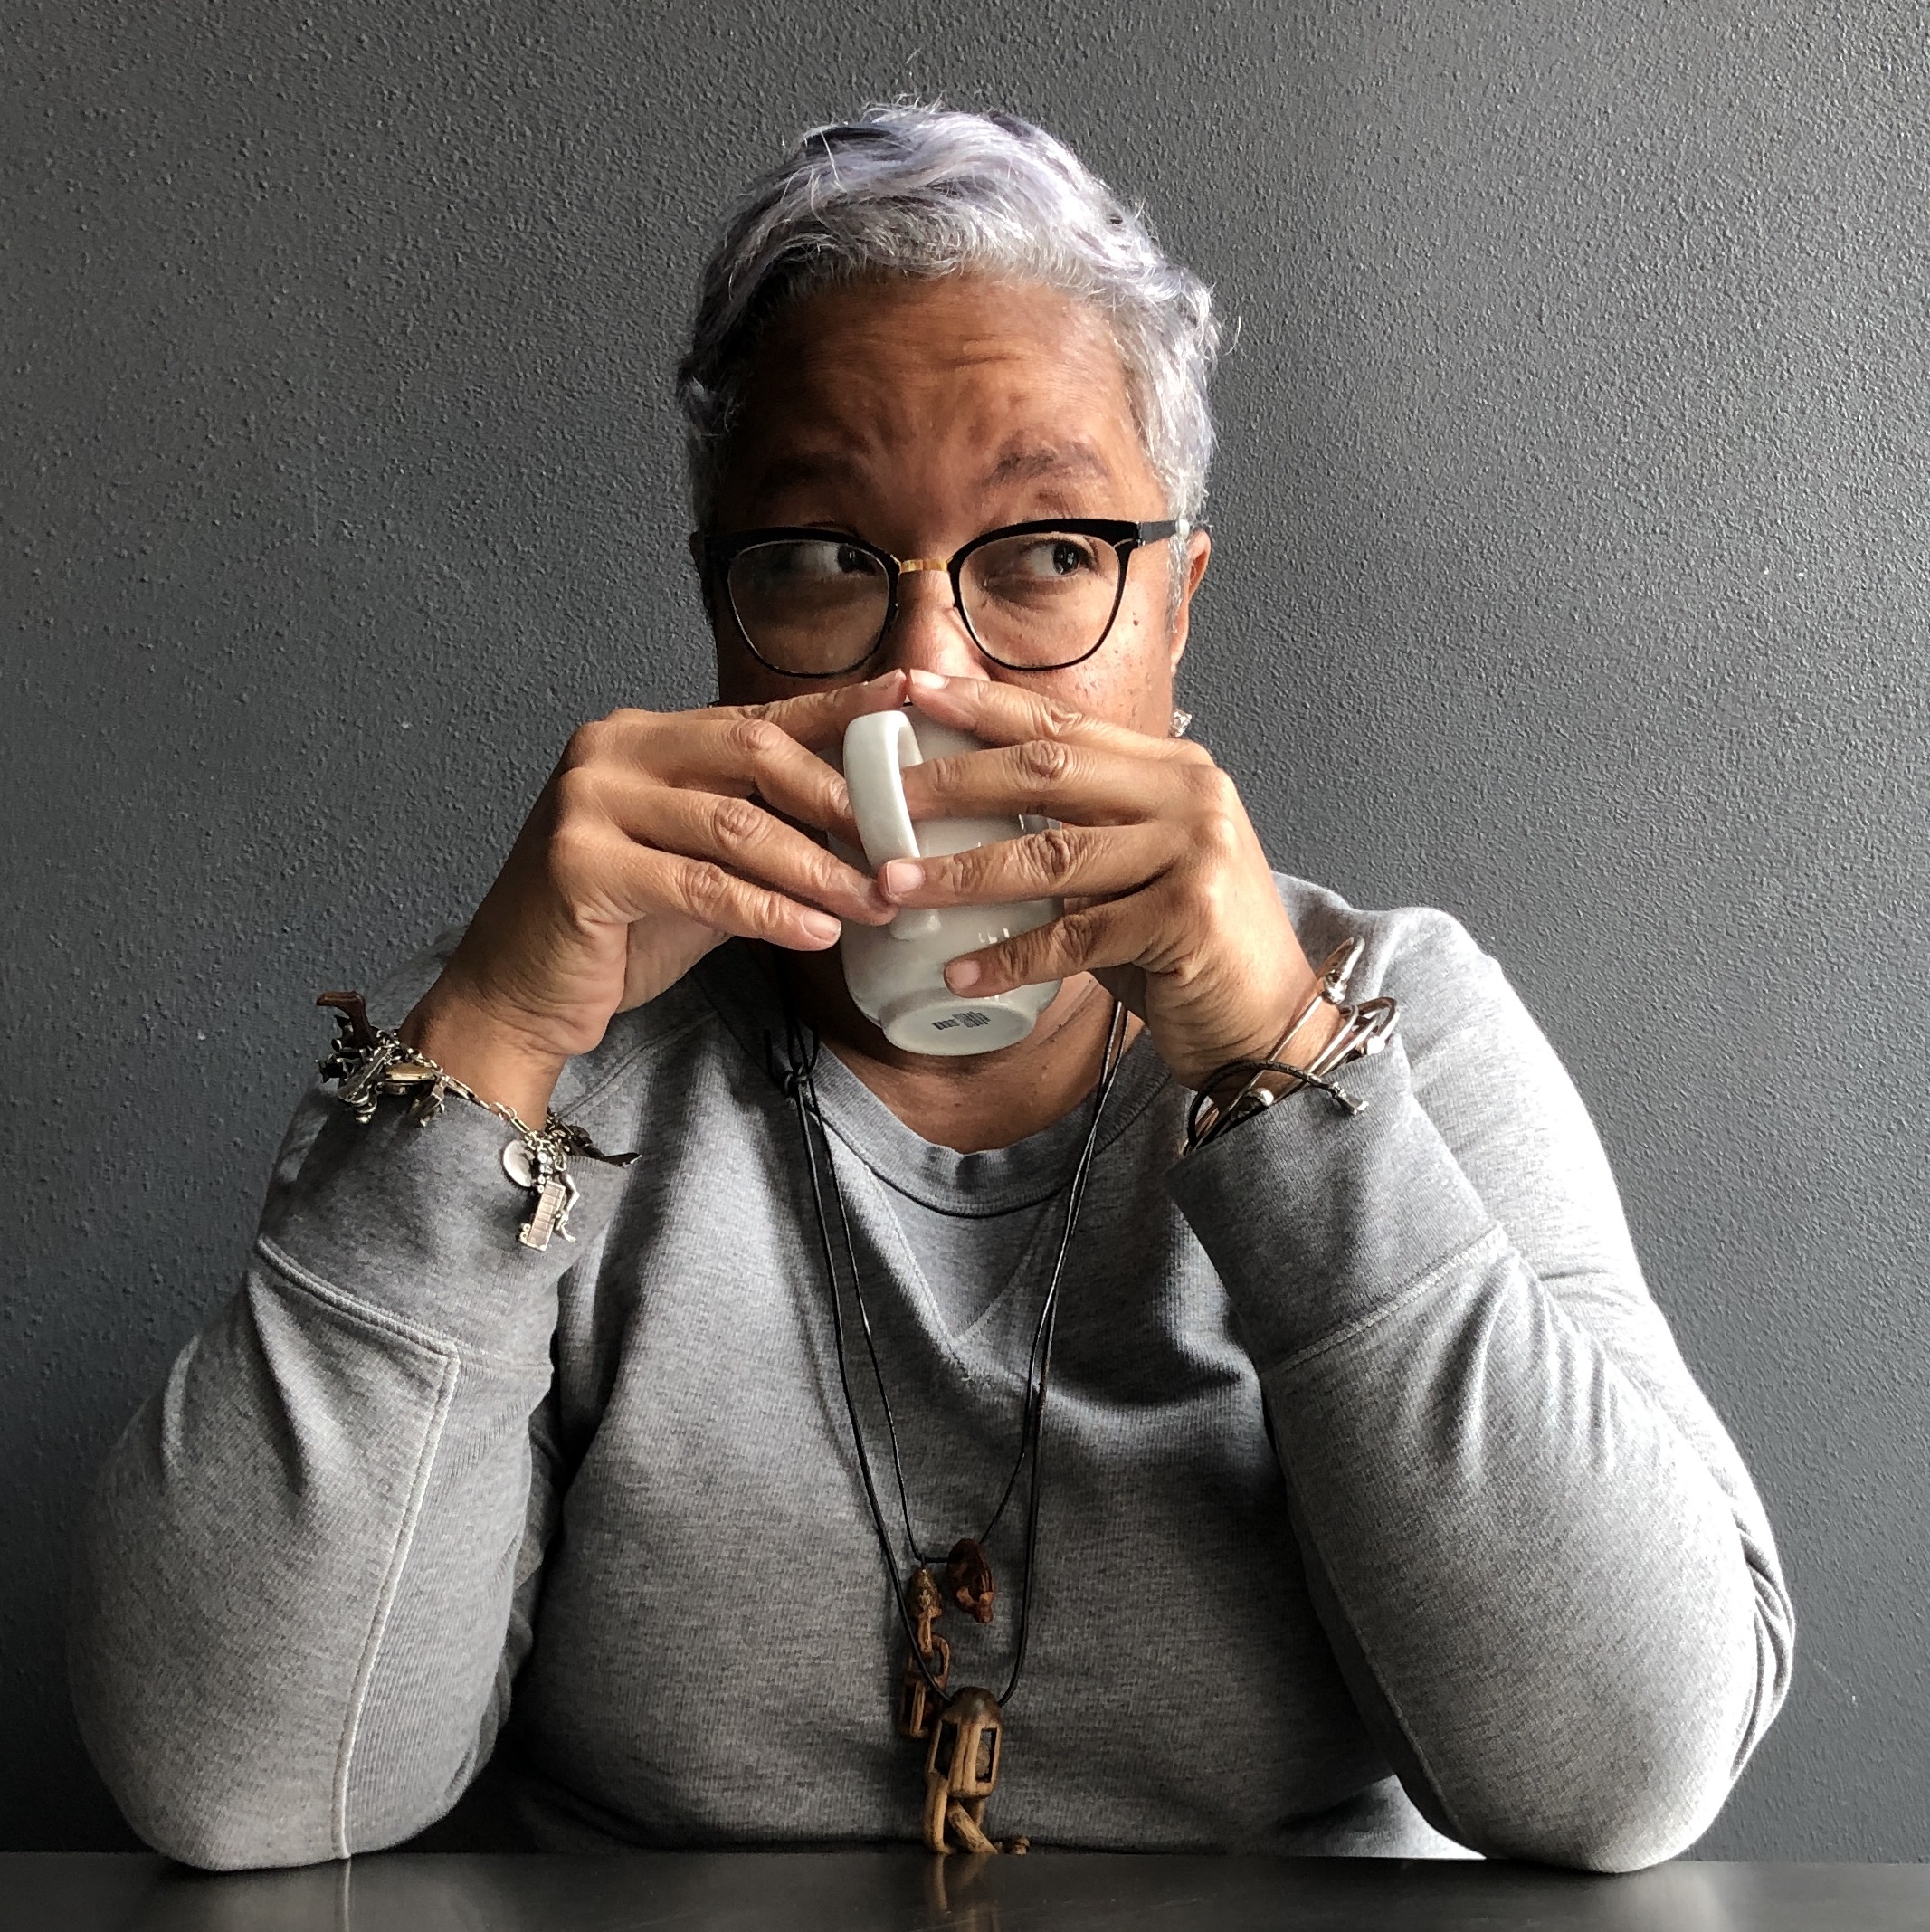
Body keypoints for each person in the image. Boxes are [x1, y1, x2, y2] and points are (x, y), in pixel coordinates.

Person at [69, 104, 1792, 1873]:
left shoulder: (1376, 1015)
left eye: (1047, 554)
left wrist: (1276, 1066)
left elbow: (1619, 1775)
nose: (926, 678)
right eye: (822, 560)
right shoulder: (543, 1052)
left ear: (1174, 606)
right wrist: (489, 1043)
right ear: (720, 616)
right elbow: (244, 1784)